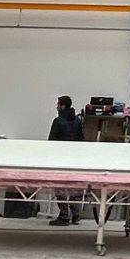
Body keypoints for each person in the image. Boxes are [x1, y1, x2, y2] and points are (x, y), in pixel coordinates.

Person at [48, 95, 85, 225]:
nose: (57, 107)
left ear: (62, 106)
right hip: (75, 159)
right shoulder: (78, 121)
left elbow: (51, 141)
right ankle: (75, 215)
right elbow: (81, 139)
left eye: (58, 104)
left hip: (60, 159)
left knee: (60, 187)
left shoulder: (58, 121)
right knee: (75, 186)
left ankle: (64, 215)